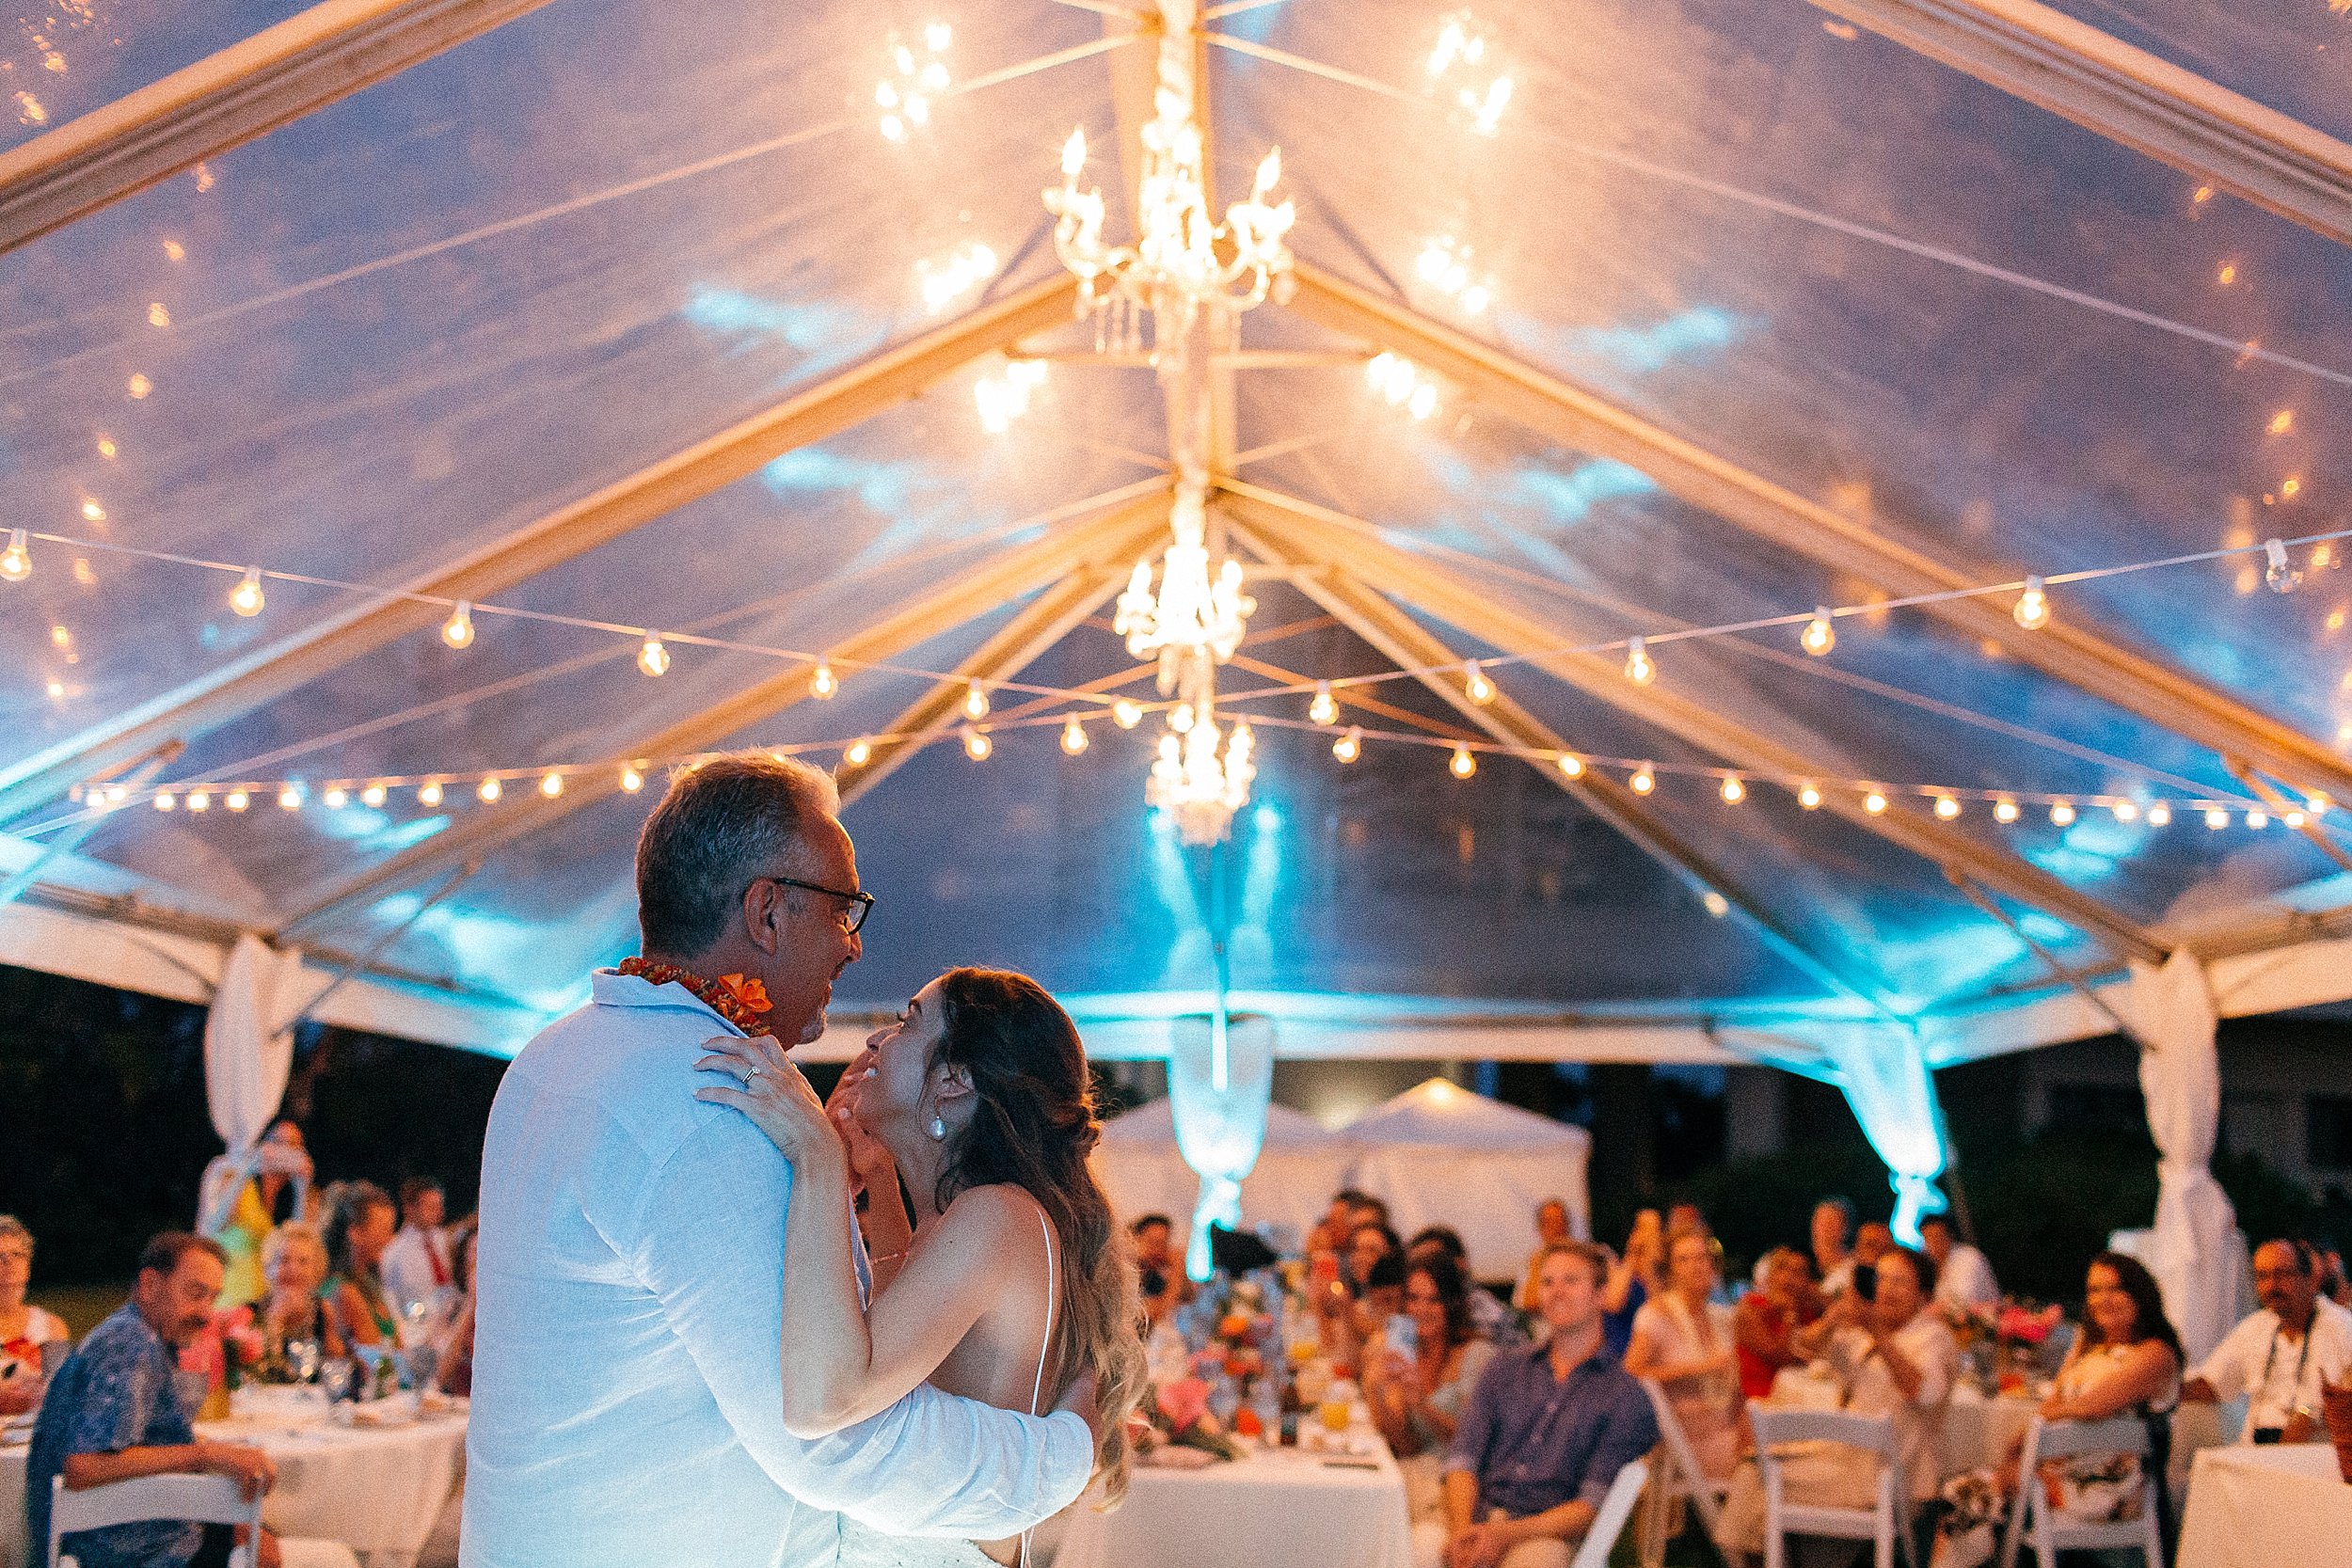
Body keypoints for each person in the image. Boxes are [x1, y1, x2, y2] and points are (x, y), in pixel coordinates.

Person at [465, 754, 1098, 1567]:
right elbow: (836, 1442)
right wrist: (1066, 1454)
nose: (853, 948)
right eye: (843, 910)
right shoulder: (717, 1098)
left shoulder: (554, 1055)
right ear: (766, 911)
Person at [696, 965, 1144, 1568]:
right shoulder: (972, 1219)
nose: (877, 1040)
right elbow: (898, 1345)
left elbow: (828, 1400)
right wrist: (877, 1175)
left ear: (954, 1083)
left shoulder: (996, 1217)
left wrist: (817, 1156)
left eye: (908, 1022)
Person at [26, 1233, 285, 1568]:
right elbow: (83, 1466)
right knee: (268, 1546)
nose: (206, 1314)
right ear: (149, 1285)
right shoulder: (131, 1345)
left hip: (127, 1534)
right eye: (195, 1293)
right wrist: (205, 1455)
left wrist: (218, 1455)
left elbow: (136, 1440)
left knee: (257, 1531)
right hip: (122, 1551)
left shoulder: (135, 1334)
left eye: (213, 1298)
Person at [1931, 1253, 2181, 1568]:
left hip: (2109, 1489)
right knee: (1966, 1491)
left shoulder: (2155, 1353)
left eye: (2114, 1289)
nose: (2103, 1299)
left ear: (2138, 1293)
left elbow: (2091, 1406)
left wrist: (2035, 1437)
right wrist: (2021, 1447)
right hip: (2059, 1474)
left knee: (1971, 1495)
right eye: (2094, 1290)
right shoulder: (2087, 1348)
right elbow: (2054, 1404)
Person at [1717, 1245, 1957, 1562]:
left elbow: (1923, 1393)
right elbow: (1802, 1347)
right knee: (1754, 1471)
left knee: (1755, 1477)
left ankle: (1762, 1557)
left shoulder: (1933, 1336)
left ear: (1923, 1295)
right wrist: (1831, 1320)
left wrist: (1878, 1333)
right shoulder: (1860, 1334)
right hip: (1844, 1465)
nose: (1886, 1289)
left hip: (1893, 1480)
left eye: (1899, 1282)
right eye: (1882, 1279)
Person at [1439, 1242, 1659, 1568]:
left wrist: (1504, 1535)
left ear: (1600, 1295)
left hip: (1545, 1534)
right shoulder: (1504, 1368)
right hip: (1476, 1516)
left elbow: (1589, 1507)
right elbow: (1462, 1459)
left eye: (1571, 1280)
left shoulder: (1624, 1395)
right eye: (1547, 1281)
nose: (1557, 1291)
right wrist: (1462, 1531)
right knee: (1419, 1547)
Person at [1373, 1257, 1500, 1568]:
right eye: (1413, 1298)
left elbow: (1471, 1441)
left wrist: (1421, 1404)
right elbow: (1407, 1444)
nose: (1421, 1309)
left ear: (1452, 1304)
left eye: (1434, 1300)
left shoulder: (1477, 1355)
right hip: (1417, 1470)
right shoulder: (1407, 1353)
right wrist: (1377, 1389)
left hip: (1459, 1484)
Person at [2181, 1236, 2352, 1444]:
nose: (2272, 1286)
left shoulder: (2341, 1327)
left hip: (2313, 1455)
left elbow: (2337, 1396)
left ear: (2309, 1279)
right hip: (2256, 1449)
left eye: (2282, 1274)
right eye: (2262, 1276)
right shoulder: (2255, 1327)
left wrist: (2307, 1414)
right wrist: (2166, 1388)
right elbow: (2211, 1385)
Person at [1625, 1231, 1740, 1480]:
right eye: (1683, 1260)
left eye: (1701, 1258)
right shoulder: (1655, 1315)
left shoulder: (1721, 1317)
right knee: (1774, 1466)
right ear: (1671, 1270)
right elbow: (1631, 1374)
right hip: (1686, 1447)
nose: (1695, 1267)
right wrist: (1700, 1368)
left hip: (1730, 1431)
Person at [199, 1120, 313, 1308]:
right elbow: (209, 1229)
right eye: (277, 1141)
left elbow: (301, 1244)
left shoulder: (292, 1193)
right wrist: (246, 1171)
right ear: (262, 1143)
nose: (283, 1150)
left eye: (292, 1145)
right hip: (227, 1300)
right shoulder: (234, 1177)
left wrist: (301, 1189)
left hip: (266, 1303)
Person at [1, 1214, 69, 1416]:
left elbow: (65, 1394)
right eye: (0, 1257)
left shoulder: (51, 1327)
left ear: (28, 1266)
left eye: (17, 1255)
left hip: (39, 1441)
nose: (10, 1265)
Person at [254, 1223, 343, 1376]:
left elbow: (335, 1367)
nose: (293, 1269)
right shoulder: (251, 1313)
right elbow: (263, 1372)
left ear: (316, 1270)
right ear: (268, 1268)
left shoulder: (323, 1309)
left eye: (303, 1262)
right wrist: (276, 1320)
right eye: (284, 1260)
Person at [1410, 1227, 1522, 1348]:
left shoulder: (1478, 1307)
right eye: (1417, 1262)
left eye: (1435, 1261)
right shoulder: (1405, 1311)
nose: (1423, 1270)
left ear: (1460, 1263)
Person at [320, 1181, 398, 1350]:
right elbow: (378, 1355)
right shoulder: (342, 1290)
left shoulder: (368, 1281)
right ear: (354, 1233)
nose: (390, 1239)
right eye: (383, 1230)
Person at [1733, 1246, 1815, 1403]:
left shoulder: (1805, 1313)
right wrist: (1789, 1315)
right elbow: (1779, 1357)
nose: (1788, 1278)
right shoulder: (1751, 1307)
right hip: (1759, 1401)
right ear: (1771, 1275)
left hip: (1794, 1397)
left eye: (1798, 1273)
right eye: (1782, 1269)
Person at [378, 1178, 453, 1331]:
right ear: (410, 1209)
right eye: (430, 1207)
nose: (438, 1213)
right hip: (419, 1329)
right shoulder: (394, 1253)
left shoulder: (444, 1240)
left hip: (451, 1321)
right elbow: (391, 1301)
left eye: (439, 1206)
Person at [1597, 1210, 1662, 1359]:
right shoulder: (1615, 1269)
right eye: (1642, 1228)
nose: (1648, 1236)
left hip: (1649, 1354)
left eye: (1654, 1230)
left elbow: (1657, 1311)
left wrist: (1649, 1264)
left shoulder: (1660, 1276)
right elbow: (1613, 1303)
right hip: (1617, 1354)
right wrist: (1633, 1253)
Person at [1918, 1215, 1998, 1315]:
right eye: (1928, 1238)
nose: (1933, 1243)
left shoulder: (1968, 1257)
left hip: (1985, 1322)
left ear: (1950, 1236)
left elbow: (1962, 1301)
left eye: (1938, 1236)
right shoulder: (1932, 1264)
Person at [436, 1222, 478, 1398]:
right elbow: (441, 1376)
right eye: (475, 1251)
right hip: (455, 1408)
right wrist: (471, 1303)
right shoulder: (449, 1303)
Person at [1129, 1214, 1191, 1325]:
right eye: (1152, 1242)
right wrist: (1177, 1271)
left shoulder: (1154, 1277)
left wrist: (1181, 1267)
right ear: (1134, 1240)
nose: (1157, 1251)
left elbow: (1187, 1297)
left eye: (1163, 1244)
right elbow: (1155, 1314)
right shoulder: (1126, 1275)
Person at [1517, 1199, 1574, 1311]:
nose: (1556, 1228)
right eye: (1549, 1222)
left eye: (1559, 1221)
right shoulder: (1533, 1261)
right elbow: (1528, 1302)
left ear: (1568, 1224)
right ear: (1540, 1228)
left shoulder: (1590, 1257)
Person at [1810, 1196, 1857, 1297]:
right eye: (1821, 1221)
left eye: (1832, 1222)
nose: (1825, 1228)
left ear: (1846, 1229)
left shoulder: (1853, 1270)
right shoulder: (1796, 1261)